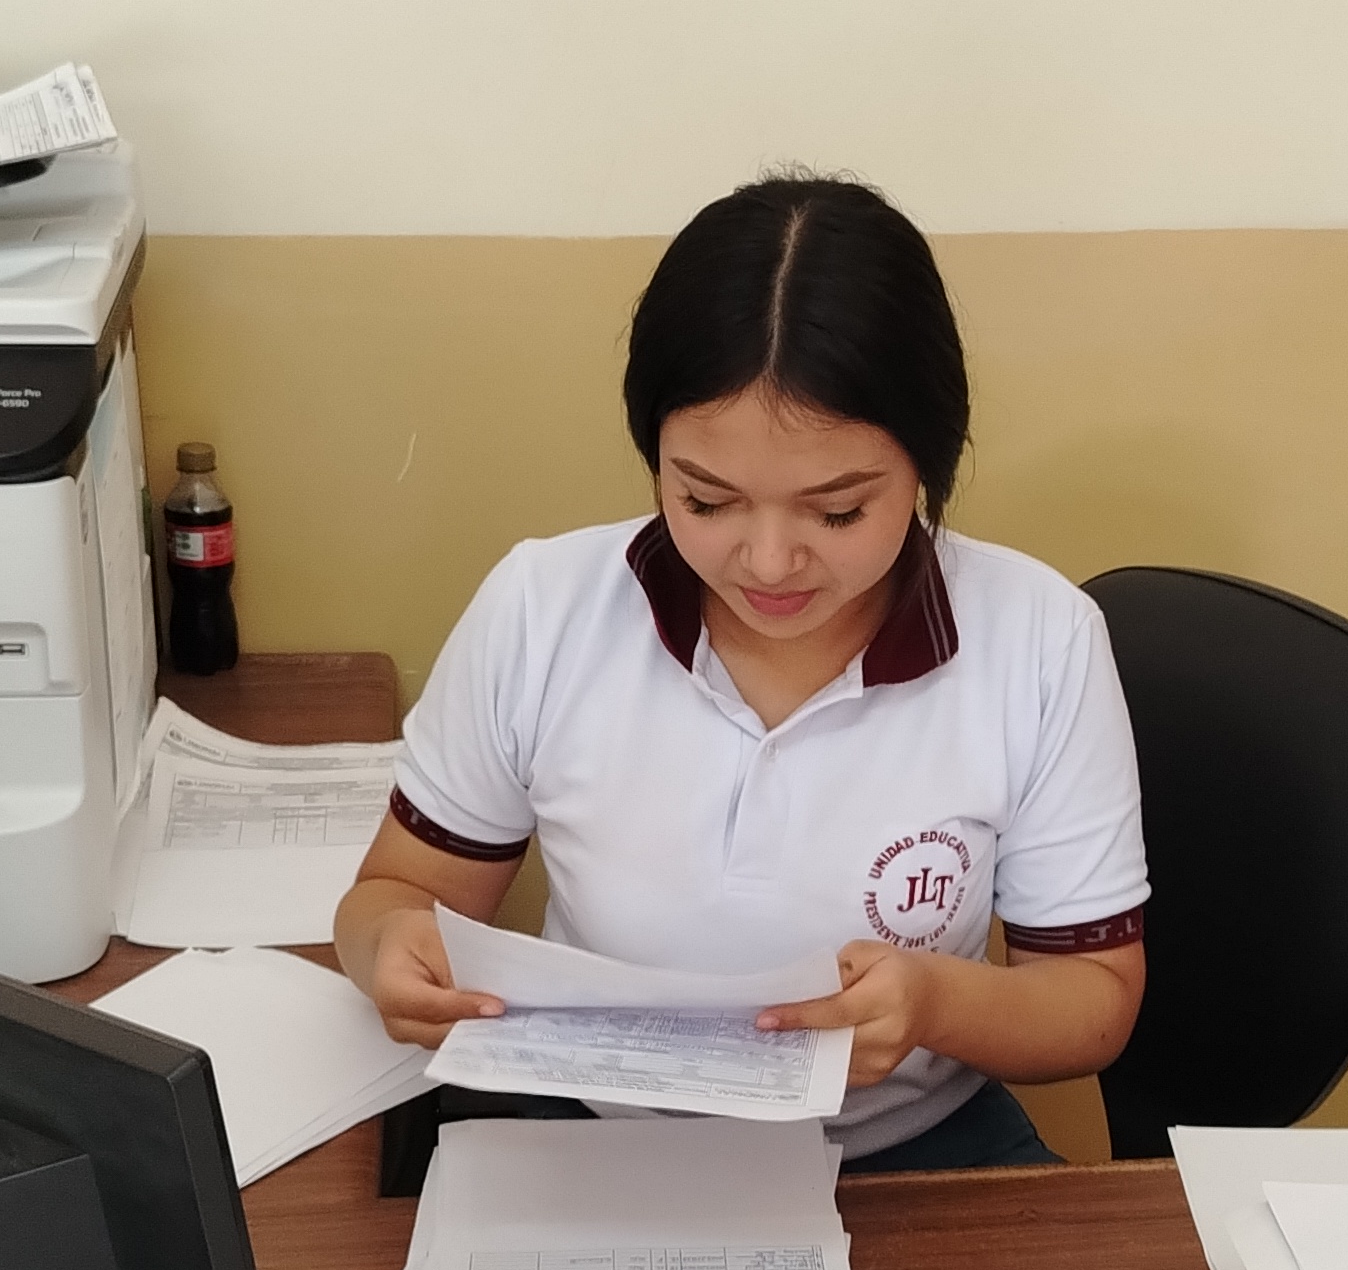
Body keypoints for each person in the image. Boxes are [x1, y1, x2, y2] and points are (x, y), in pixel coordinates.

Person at [333, 173, 1148, 1170]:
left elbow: (1093, 1002)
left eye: (837, 511)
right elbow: (395, 892)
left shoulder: (1040, 641)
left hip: (907, 1144)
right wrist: (388, 950)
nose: (767, 563)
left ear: (927, 468)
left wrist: (935, 1003)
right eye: (707, 501)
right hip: (596, 1127)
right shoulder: (545, 610)